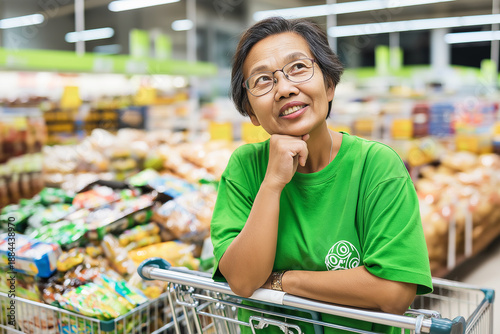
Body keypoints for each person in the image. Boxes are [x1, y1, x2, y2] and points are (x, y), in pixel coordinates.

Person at [210, 16, 433, 333]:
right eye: (262, 80)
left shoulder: (376, 166)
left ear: (329, 85)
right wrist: (272, 184)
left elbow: (394, 293)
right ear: (250, 112)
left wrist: (283, 280)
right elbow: (243, 281)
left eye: (298, 68)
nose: (285, 89)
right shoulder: (245, 168)